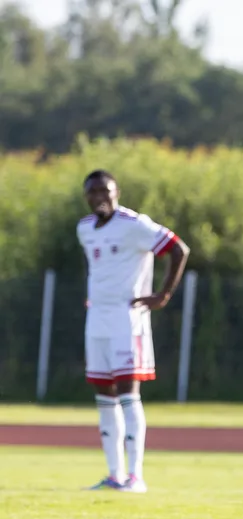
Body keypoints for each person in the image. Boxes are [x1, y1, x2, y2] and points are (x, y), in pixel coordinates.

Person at [77, 170, 190, 494]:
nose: (100, 196)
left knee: (128, 394)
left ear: (117, 192)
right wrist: (92, 292)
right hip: (96, 318)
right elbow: (94, 265)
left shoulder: (134, 224)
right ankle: (114, 475)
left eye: (105, 191)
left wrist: (163, 294)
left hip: (128, 319)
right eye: (93, 191)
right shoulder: (84, 228)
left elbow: (179, 249)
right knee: (103, 397)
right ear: (86, 196)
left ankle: (136, 476)